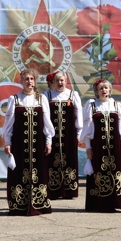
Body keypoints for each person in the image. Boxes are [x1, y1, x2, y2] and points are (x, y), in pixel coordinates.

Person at [1, 68, 53, 215]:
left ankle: (39, 204)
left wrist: (48, 141)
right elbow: (9, 123)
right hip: (19, 144)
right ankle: (19, 205)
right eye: (26, 79)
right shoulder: (15, 99)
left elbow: (47, 122)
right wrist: (7, 142)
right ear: (21, 81)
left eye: (31, 79)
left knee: (39, 172)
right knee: (19, 172)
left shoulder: (41, 98)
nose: (29, 81)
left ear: (35, 81)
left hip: (38, 143)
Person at [81, 79, 121, 212]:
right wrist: (88, 147)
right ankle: (100, 203)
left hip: (114, 145)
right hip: (98, 146)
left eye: (106, 88)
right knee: (99, 172)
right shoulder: (92, 106)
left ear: (110, 90)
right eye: (101, 88)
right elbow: (88, 129)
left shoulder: (116, 105)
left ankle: (116, 202)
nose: (104, 91)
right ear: (97, 91)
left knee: (115, 172)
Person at [44, 70, 82, 199]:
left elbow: (78, 114)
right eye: (57, 80)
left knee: (69, 159)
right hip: (53, 134)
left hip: (69, 134)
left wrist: (79, 132)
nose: (60, 83)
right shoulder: (48, 95)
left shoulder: (72, 94)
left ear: (66, 81)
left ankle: (69, 190)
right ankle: (54, 190)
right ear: (53, 82)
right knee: (51, 160)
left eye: (62, 80)